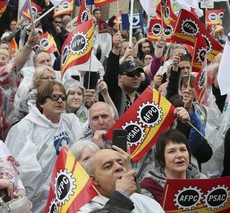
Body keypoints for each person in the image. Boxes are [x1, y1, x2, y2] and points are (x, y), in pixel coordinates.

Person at [5, 81, 84, 213]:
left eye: (62, 97)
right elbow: (13, 168)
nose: (60, 100)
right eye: (54, 97)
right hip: (34, 199)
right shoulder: (26, 128)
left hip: (63, 192)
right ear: (41, 102)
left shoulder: (70, 122)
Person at [78, 149, 165, 212]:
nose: (118, 167)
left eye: (120, 163)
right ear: (94, 179)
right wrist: (121, 196)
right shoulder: (84, 209)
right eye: (108, 166)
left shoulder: (146, 202)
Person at [140, 129, 206, 203]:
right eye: (171, 151)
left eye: (183, 150)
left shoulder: (203, 181)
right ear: (161, 159)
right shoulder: (149, 187)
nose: (179, 155)